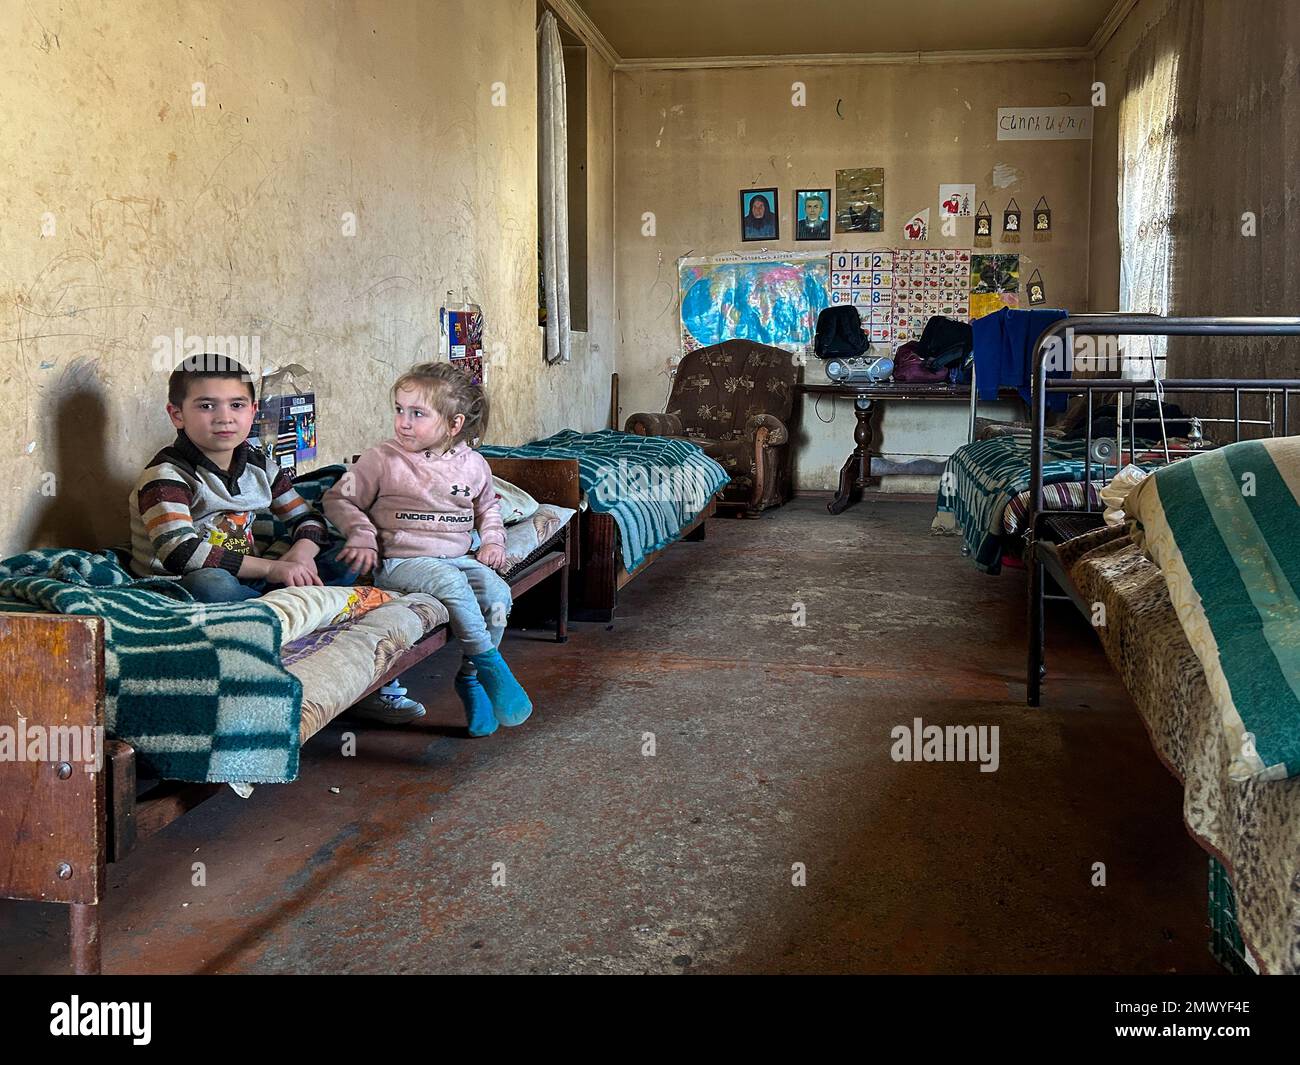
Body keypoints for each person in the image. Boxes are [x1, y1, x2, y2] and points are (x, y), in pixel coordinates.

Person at [324, 363, 530, 738]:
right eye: (399, 410)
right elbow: (339, 500)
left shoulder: (474, 465)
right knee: (451, 584)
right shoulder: (382, 458)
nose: (403, 422)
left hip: (456, 558)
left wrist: (494, 541)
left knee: (498, 594)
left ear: (454, 425)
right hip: (402, 561)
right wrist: (361, 534)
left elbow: (488, 508)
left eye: (417, 413)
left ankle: (471, 680)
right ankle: (491, 666)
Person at [128, 354, 328, 602]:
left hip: (249, 572)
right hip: (181, 581)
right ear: (177, 414)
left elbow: (307, 518)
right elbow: (180, 553)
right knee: (212, 586)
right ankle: (274, 600)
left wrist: (301, 555)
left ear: (253, 411)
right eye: (206, 406)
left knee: (345, 550)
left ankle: (272, 595)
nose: (225, 417)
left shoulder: (261, 468)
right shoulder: (166, 476)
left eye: (237, 405)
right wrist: (271, 569)